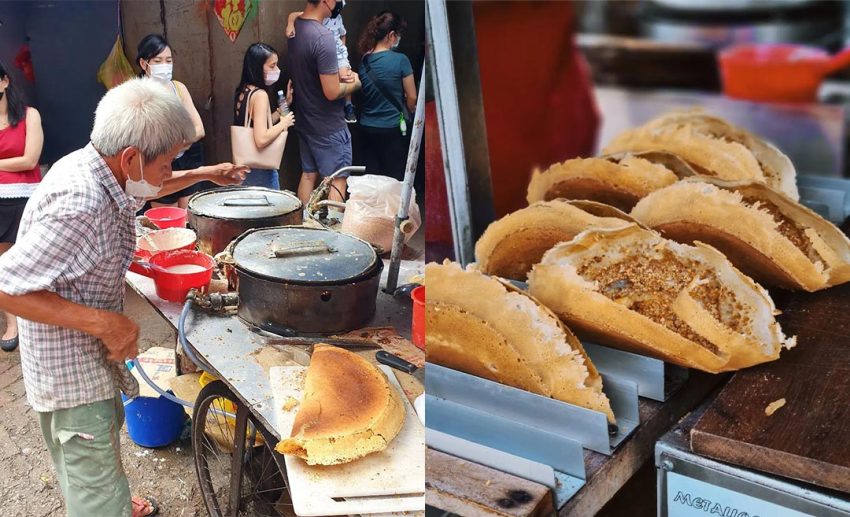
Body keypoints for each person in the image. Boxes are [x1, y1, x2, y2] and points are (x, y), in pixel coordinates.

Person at [0, 78, 247, 517]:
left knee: (95, 455)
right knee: (89, 461)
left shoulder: (99, 166)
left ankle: (102, 491)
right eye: (168, 163)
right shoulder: (81, 203)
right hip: (69, 374)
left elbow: (150, 185)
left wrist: (204, 174)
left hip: (89, 363)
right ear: (131, 157)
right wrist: (106, 323)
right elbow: (5, 285)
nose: (169, 173)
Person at [288, 0, 361, 204]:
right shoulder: (323, 37)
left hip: (305, 120)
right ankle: (334, 231)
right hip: (328, 126)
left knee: (308, 174)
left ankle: (301, 225)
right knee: (339, 178)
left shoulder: (296, 28)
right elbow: (332, 92)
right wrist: (355, 83)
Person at [137, 33, 214, 209]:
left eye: (168, 60)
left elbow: (199, 128)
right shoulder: (138, 95)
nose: (165, 65)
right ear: (144, 63)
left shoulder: (178, 88)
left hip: (187, 159)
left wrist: (181, 143)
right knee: (166, 221)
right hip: (158, 164)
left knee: (189, 218)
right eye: (158, 61)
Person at [0, 61, 43, 353]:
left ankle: (37, 319)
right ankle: (12, 322)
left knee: (26, 261)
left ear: (4, 82)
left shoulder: (30, 116)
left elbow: (30, 160)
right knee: (3, 264)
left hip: (26, 198)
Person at [357, 11, 416, 182]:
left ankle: (376, 209)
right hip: (392, 130)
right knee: (395, 178)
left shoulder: (364, 61)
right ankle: (394, 209)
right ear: (391, 35)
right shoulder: (401, 60)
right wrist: (408, 110)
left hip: (367, 128)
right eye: (398, 35)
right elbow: (412, 96)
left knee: (373, 179)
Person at [234, 42, 296, 190]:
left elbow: (260, 123)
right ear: (257, 67)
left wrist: (283, 107)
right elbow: (261, 139)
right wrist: (284, 123)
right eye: (272, 66)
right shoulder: (260, 95)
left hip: (246, 167)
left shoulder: (245, 91)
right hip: (261, 169)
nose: (277, 70)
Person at [285, 0, 357, 123]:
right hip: (327, 126)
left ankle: (348, 105)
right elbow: (332, 93)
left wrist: (342, 52)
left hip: (338, 54)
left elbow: (343, 34)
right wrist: (358, 82)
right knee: (348, 78)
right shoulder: (321, 31)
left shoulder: (336, 19)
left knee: (344, 74)